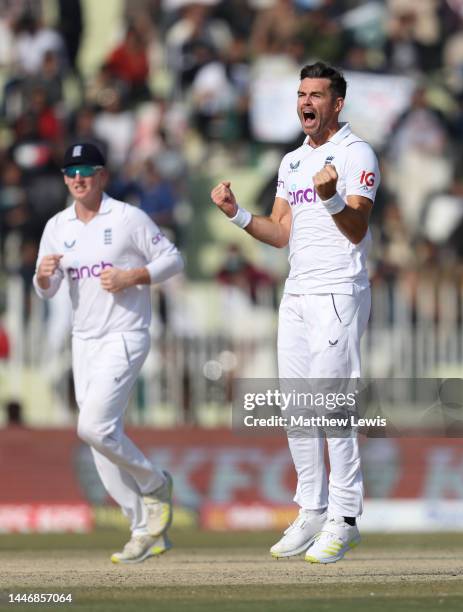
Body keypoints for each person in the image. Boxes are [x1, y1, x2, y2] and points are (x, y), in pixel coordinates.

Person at [211, 62, 380, 564]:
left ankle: (345, 517)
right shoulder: (290, 162)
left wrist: (330, 199)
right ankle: (311, 509)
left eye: (317, 94)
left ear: (337, 103)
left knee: (330, 401)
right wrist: (238, 215)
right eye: (302, 93)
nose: (306, 102)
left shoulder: (356, 152)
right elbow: (281, 231)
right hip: (298, 293)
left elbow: (357, 228)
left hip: (339, 290)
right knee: (298, 408)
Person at [33, 142, 184, 564]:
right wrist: (43, 278)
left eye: (86, 170)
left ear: (102, 176)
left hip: (125, 334)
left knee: (94, 427)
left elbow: (173, 260)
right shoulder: (57, 225)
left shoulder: (127, 217)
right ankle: (145, 528)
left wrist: (133, 275)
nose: (78, 178)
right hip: (84, 341)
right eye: (71, 171)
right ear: (64, 179)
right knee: (100, 440)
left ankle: (155, 485)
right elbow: (48, 291)